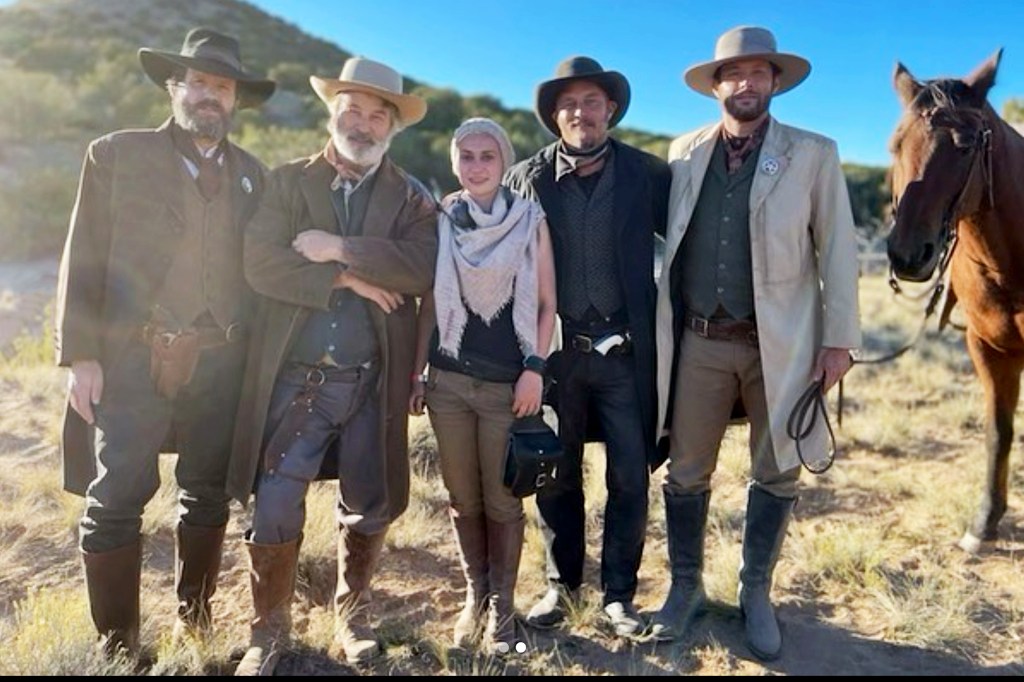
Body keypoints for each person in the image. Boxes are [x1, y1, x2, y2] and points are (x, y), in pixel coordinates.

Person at [54, 28, 274, 657]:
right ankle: (119, 646)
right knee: (118, 491)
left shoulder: (254, 176)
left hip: (221, 359)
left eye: (223, 86)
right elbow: (84, 255)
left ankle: (194, 620)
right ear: (176, 87)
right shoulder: (116, 155)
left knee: (206, 490)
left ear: (235, 101)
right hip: (131, 353)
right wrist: (83, 355)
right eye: (200, 82)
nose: (211, 96)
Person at [650, 26, 862, 660]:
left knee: (778, 466)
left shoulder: (814, 153)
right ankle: (685, 588)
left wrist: (839, 341)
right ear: (715, 86)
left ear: (775, 82)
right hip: (699, 340)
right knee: (686, 470)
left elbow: (840, 250)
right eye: (733, 74)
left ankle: (755, 593)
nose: (746, 83)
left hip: (786, 343)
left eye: (758, 73)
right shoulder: (682, 151)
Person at [226, 57, 437, 675]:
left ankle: (353, 616)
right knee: (273, 503)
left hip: (375, 378)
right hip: (298, 378)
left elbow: (422, 268)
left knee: (370, 504)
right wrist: (349, 278)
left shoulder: (410, 194)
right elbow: (262, 265)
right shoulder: (287, 183)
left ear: (392, 127)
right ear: (331, 111)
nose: (364, 124)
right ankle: (268, 631)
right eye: (353, 110)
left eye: (378, 115)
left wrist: (336, 247)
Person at [505, 56, 670, 637]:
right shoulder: (526, 179)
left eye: (593, 102)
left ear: (611, 110)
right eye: (569, 103)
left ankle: (619, 596)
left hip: (627, 355)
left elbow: (690, 240)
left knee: (630, 475)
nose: (582, 112)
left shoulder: (647, 174)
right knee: (556, 472)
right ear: (555, 115)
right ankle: (560, 585)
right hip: (556, 356)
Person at [408, 118, 557, 653]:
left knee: (502, 501)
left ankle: (503, 607)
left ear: (504, 161)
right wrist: (416, 372)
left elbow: (545, 305)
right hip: (447, 382)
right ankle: (475, 594)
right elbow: (429, 299)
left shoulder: (530, 221)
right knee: (460, 498)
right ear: (455, 164)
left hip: (504, 387)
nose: (476, 166)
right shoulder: (443, 218)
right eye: (466, 156)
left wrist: (535, 367)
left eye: (487, 156)